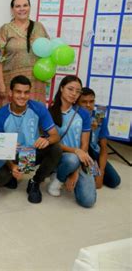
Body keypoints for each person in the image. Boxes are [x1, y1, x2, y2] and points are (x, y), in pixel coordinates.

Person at [0, 75, 61, 204]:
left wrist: (47, 140)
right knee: (1, 179)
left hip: (30, 153)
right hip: (10, 155)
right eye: (18, 92)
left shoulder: (38, 108)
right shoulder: (0, 115)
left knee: (56, 148)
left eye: (26, 92)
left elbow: (55, 135)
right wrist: (12, 166)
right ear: (10, 93)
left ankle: (35, 182)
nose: (22, 96)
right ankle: (13, 174)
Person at [47, 76, 96, 208]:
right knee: (71, 159)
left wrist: (75, 172)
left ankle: (64, 174)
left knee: (88, 201)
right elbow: (51, 142)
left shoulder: (84, 114)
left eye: (77, 91)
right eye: (70, 89)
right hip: (60, 155)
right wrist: (75, 152)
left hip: (80, 158)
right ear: (61, 88)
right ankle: (57, 179)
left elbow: (84, 144)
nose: (74, 94)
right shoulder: (50, 112)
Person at [0, 0, 49, 110]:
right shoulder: (5, 29)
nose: (22, 9)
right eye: (18, 6)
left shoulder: (39, 28)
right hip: (10, 83)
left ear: (30, 7)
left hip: (35, 83)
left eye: (25, 5)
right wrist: (0, 83)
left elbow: (48, 54)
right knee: (8, 117)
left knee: (34, 116)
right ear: (12, 9)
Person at [78, 88, 121, 188]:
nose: (88, 105)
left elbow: (103, 147)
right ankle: (86, 172)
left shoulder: (99, 116)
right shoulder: (75, 116)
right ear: (78, 103)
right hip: (81, 153)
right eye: (84, 102)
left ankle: (94, 172)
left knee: (114, 181)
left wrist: (101, 171)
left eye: (91, 101)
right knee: (93, 179)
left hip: (94, 153)